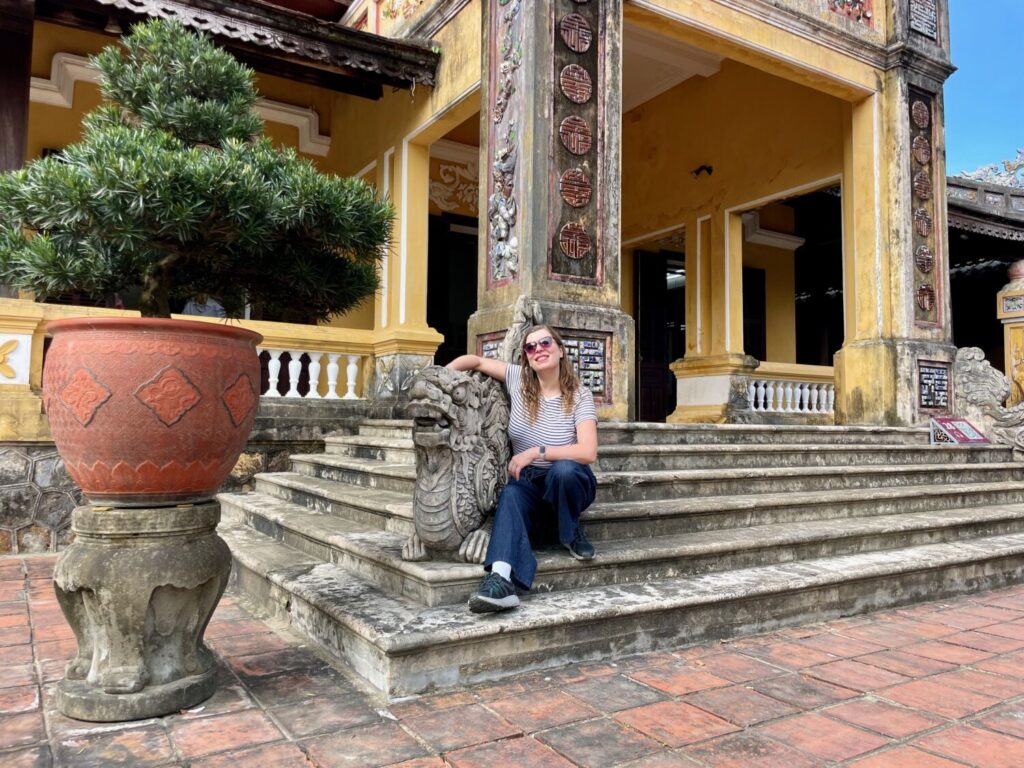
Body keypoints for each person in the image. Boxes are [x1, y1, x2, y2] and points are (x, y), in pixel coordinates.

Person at [446, 325, 598, 613]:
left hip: (569, 482)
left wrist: (536, 452)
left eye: (545, 343)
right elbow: (475, 361)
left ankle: (571, 530)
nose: (538, 349)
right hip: (529, 484)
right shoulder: (517, 380)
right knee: (511, 496)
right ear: (526, 357)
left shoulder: (580, 395)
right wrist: (442, 376)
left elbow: (588, 452)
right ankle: (500, 580)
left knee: (563, 470)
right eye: (531, 347)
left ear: (560, 349)